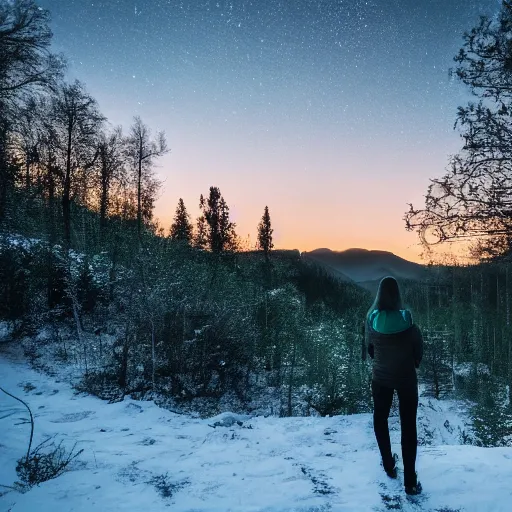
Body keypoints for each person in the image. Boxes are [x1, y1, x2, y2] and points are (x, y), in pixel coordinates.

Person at [362, 276, 424, 495]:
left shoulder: (371, 320)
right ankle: (410, 482)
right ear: (398, 296)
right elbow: (418, 352)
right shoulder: (408, 321)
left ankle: (389, 466)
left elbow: (370, 350)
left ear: (379, 295)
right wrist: (411, 363)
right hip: (406, 379)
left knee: (380, 419)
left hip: (381, 379)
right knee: (408, 427)